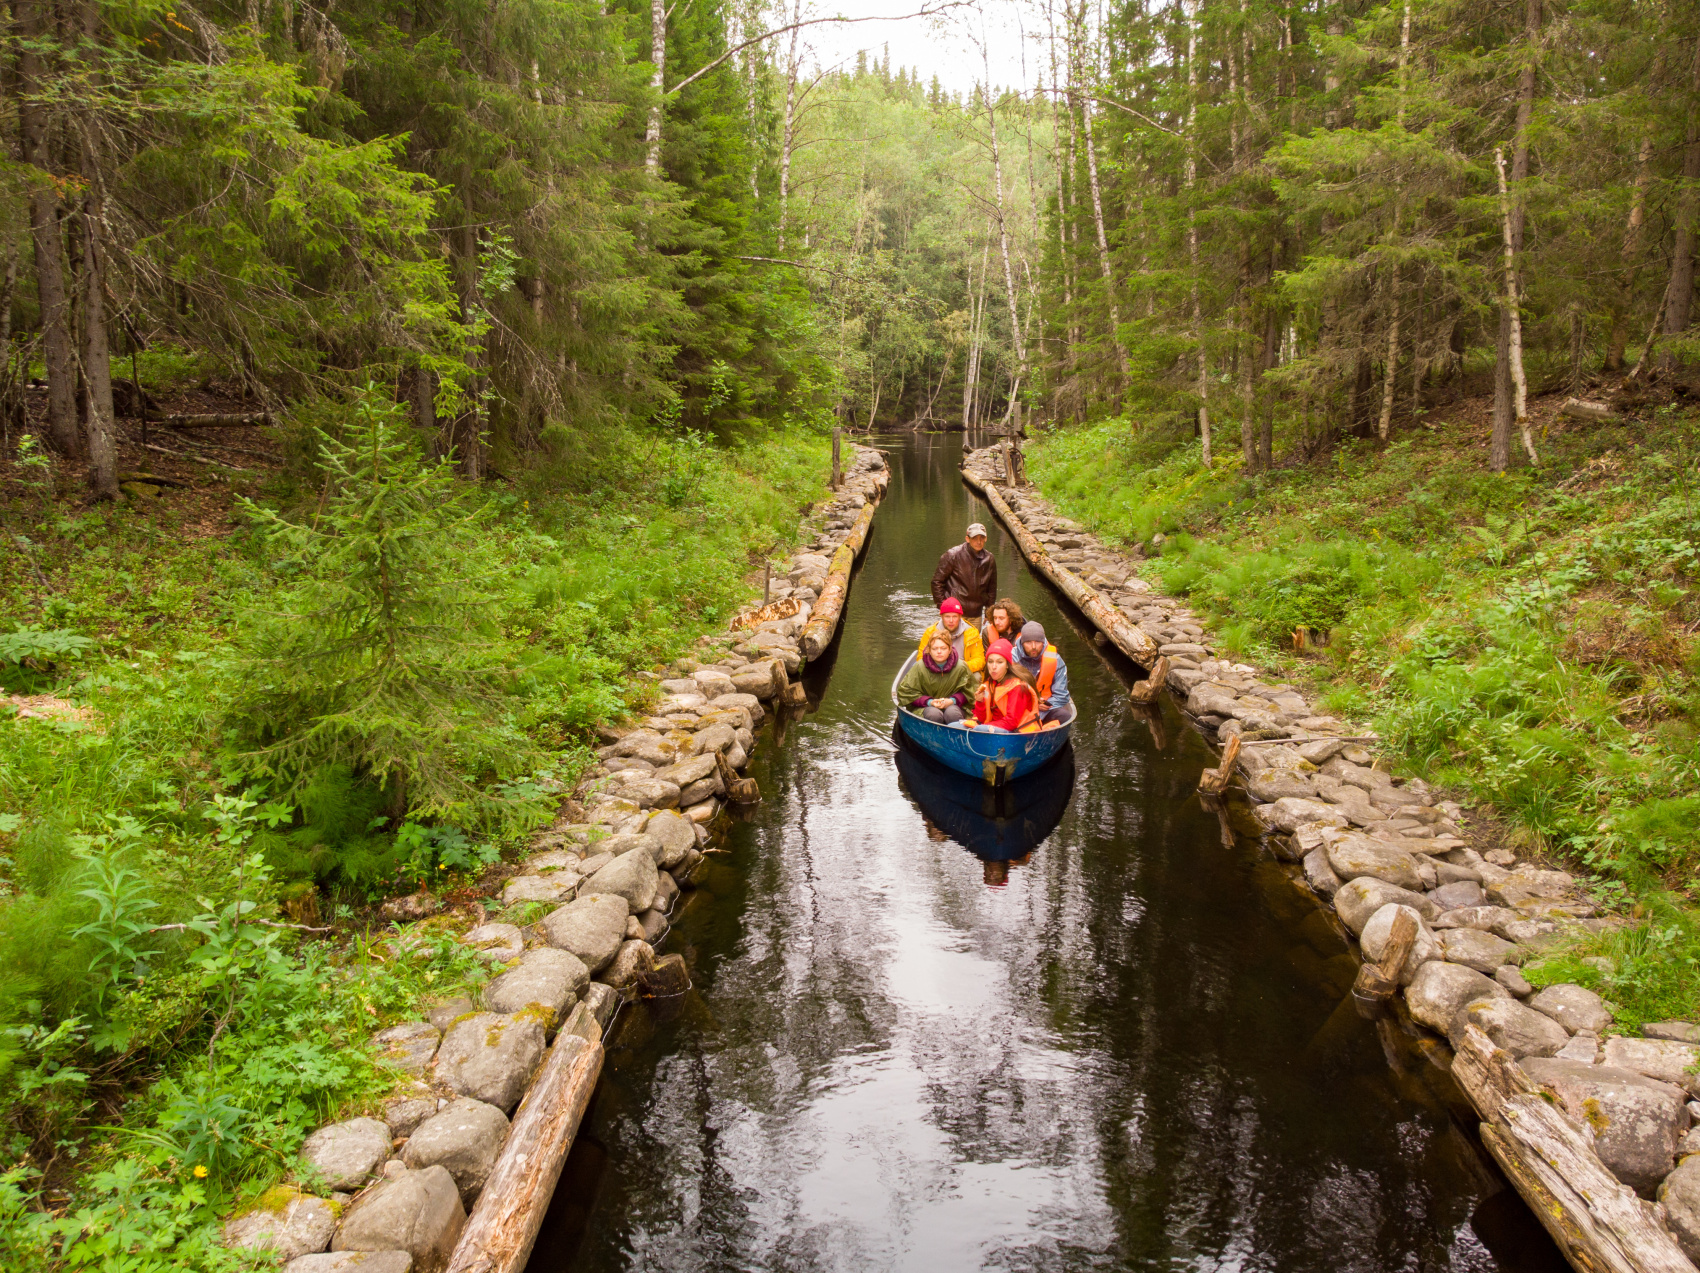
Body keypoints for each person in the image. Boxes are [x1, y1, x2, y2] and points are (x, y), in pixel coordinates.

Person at [896, 633, 975, 724]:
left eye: (943, 648)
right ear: (929, 650)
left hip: (953, 706)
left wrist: (952, 701)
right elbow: (906, 693)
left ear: (950, 650)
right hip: (926, 707)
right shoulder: (919, 667)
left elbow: (970, 692)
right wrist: (930, 702)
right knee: (934, 715)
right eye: (935, 649)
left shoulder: (961, 667)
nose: (939, 652)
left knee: (952, 714)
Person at [931, 521, 997, 620]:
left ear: (986, 538)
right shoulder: (952, 555)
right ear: (967, 539)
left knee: (974, 635)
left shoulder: (989, 559)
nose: (979, 542)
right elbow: (936, 582)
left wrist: (989, 611)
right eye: (975, 538)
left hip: (976, 614)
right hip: (954, 613)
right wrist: (944, 607)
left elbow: (992, 588)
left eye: (982, 538)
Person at [972, 638, 1038, 733]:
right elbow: (982, 719)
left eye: (999, 662)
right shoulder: (989, 684)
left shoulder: (1018, 687)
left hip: (1014, 732)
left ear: (1007, 665)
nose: (994, 667)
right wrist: (980, 702)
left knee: (978, 729)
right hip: (993, 727)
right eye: (990, 662)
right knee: (952, 726)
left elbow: (1011, 722)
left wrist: (983, 727)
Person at [1013, 620, 1070, 724]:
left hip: (1044, 710)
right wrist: (1032, 705)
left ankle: (1039, 726)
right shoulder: (1011, 658)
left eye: (1038, 642)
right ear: (1022, 642)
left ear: (1043, 642)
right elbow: (1003, 691)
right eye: (1029, 642)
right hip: (1017, 708)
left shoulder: (1055, 660)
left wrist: (1044, 705)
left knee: (1064, 716)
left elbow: (1062, 695)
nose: (1034, 646)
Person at [916, 597, 985, 673]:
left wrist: (961, 666)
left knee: (977, 676)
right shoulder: (930, 632)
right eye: (947, 617)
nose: (951, 621)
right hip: (936, 670)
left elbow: (980, 660)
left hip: (961, 671)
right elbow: (921, 658)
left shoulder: (972, 633)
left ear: (960, 617)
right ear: (941, 617)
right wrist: (936, 667)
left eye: (954, 617)